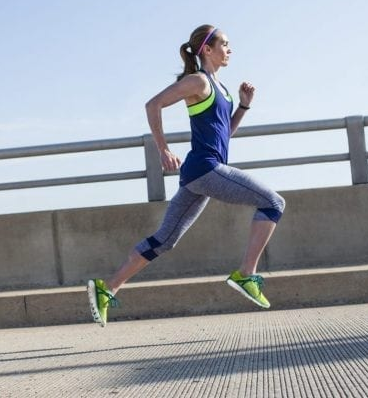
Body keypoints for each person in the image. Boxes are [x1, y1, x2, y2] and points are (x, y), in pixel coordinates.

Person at [87, 25, 286, 327]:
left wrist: (243, 106)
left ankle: (107, 288)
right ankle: (246, 274)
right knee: (273, 203)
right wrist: (163, 149)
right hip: (205, 169)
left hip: (201, 172)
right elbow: (152, 105)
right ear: (207, 49)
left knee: (164, 240)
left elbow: (224, 136)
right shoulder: (197, 81)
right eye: (225, 44)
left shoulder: (221, 89)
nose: (230, 50)